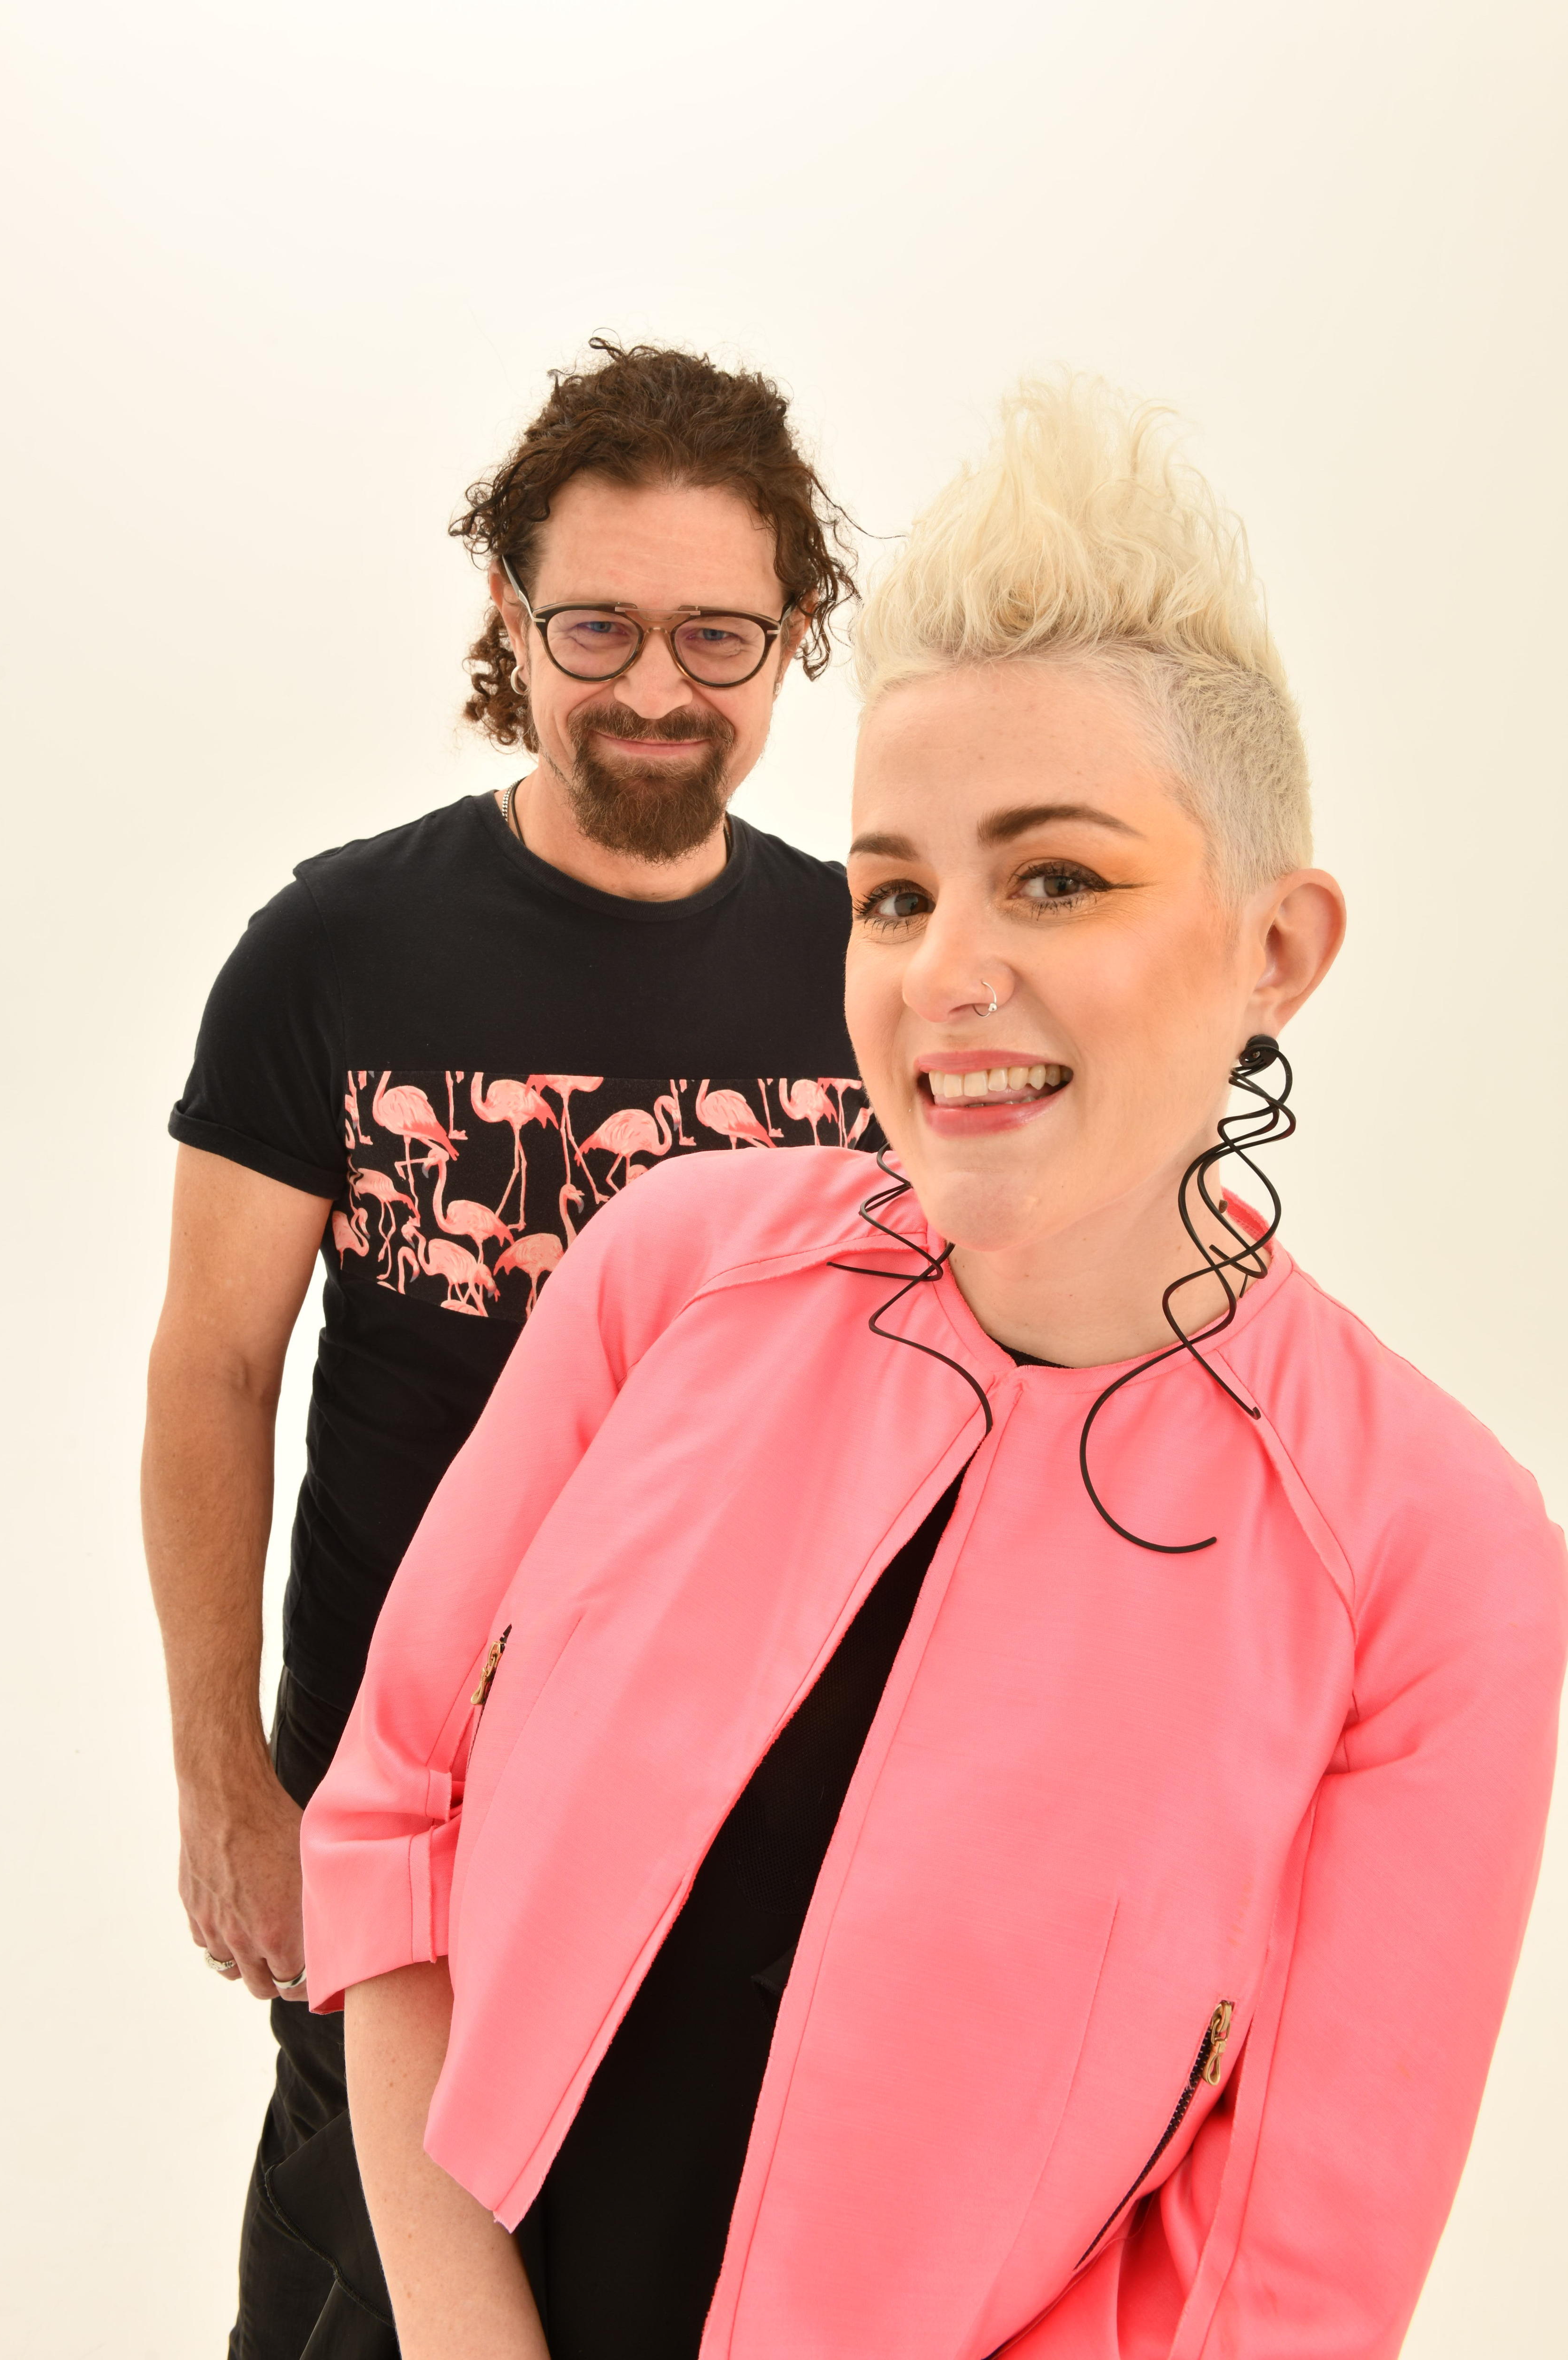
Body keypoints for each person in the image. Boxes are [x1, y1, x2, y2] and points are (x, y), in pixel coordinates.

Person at [300, 378, 1566, 2360]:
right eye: (894, 892)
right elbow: (393, 1816)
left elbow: (1268, 2297)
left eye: (1056, 877)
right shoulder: (669, 1268)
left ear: (1277, 950)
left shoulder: (1434, 1557)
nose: (944, 973)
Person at [141, 337, 879, 2360]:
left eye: (720, 634)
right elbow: (214, 1364)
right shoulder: (333, 949)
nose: (657, 687)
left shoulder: (868, 965)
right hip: (404, 1833)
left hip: (748, 1832)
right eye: (599, 626)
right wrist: (227, 1776)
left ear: (795, 635)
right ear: (508, 610)